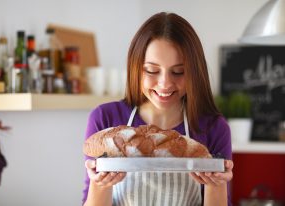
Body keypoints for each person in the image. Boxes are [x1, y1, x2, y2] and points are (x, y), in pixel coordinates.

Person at [83, 12, 233, 206]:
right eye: (152, 70)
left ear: (195, 72)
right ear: (135, 67)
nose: (164, 84)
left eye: (179, 72)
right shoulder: (105, 119)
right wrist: (100, 185)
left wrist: (217, 184)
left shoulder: (213, 127)